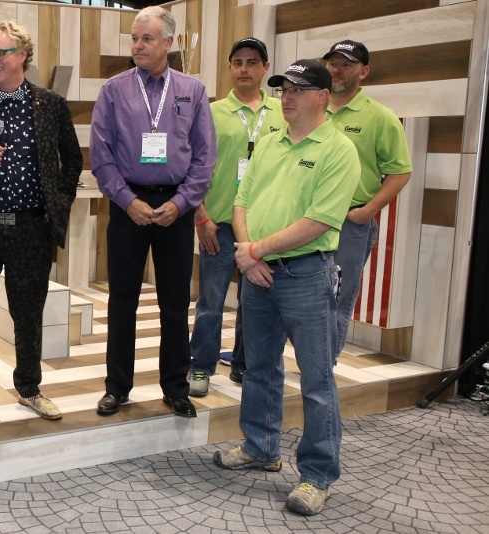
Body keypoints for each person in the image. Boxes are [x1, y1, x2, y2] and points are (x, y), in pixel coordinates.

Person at [212, 60, 360, 516]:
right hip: (258, 273)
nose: (286, 95)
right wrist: (247, 251)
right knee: (259, 367)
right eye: (283, 88)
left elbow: (318, 222)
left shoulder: (338, 150)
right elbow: (241, 199)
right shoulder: (272, 141)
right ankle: (260, 447)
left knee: (316, 379)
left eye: (298, 88)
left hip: (306, 275)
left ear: (323, 95)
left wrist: (254, 252)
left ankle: (318, 476)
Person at [0, 20, 82, 430]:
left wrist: (55, 207)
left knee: (28, 314)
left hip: (30, 228)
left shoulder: (51, 106)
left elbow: (72, 161)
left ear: (22, 54)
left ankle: (29, 388)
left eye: (0, 53)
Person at [89, 6, 216, 418]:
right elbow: (101, 154)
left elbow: (204, 157)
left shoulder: (192, 91)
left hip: (176, 209)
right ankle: (117, 387)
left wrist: (181, 204)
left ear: (169, 43)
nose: (138, 46)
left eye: (146, 38)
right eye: (134, 38)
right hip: (129, 206)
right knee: (121, 300)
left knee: (175, 303)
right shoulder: (113, 90)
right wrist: (128, 201)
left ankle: (175, 387)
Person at [187, 37, 285, 397]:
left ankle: (244, 364)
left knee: (255, 302)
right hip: (218, 224)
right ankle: (200, 366)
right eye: (238, 62)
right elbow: (193, 168)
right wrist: (200, 217)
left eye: (252, 62)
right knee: (211, 300)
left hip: (264, 227)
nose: (245, 69)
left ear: (265, 69)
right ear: (230, 68)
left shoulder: (281, 114)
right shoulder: (211, 113)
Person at [322, 40, 412, 357]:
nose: (337, 69)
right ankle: (308, 359)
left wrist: (368, 211)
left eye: (346, 64)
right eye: (333, 62)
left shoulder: (379, 117)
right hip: (305, 219)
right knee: (303, 292)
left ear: (364, 71)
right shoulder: (311, 108)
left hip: (349, 222)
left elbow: (400, 172)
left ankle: (322, 369)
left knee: (336, 295)